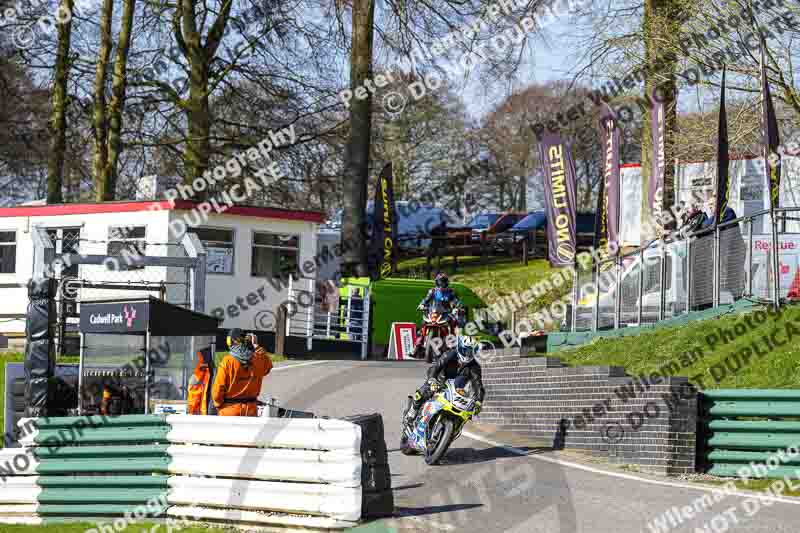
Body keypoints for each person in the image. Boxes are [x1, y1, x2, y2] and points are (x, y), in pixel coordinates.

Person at [405, 336, 486, 426]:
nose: (467, 354)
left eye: (471, 352)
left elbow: (478, 385)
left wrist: (479, 402)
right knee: (421, 394)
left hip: (455, 391)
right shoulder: (450, 354)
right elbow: (435, 367)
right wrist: (432, 379)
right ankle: (412, 412)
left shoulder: (474, 366)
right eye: (466, 350)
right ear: (460, 347)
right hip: (438, 382)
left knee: (464, 413)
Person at [212, 329, 273, 416]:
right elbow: (268, 367)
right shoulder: (257, 359)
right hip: (251, 410)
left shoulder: (227, 362)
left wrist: (218, 405)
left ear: (231, 341)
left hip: (229, 410)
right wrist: (256, 346)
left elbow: (217, 391)